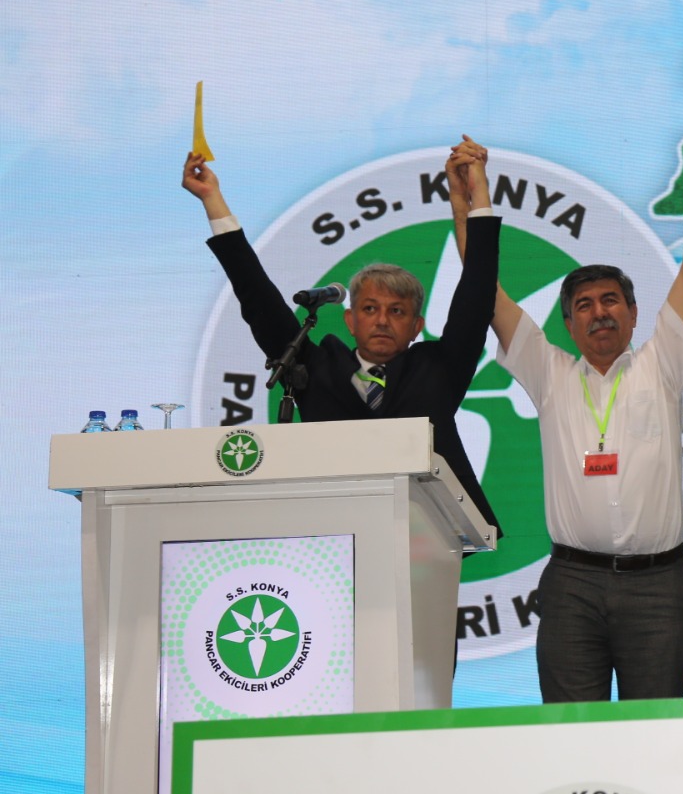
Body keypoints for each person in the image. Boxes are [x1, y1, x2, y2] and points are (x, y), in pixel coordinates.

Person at [445, 112, 683, 703]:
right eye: (586, 305)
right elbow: (484, 292)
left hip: (659, 587)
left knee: (657, 737)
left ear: (634, 314)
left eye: (612, 301)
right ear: (566, 324)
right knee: (571, 736)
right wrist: (468, 200)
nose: (600, 313)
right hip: (572, 585)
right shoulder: (549, 372)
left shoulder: (661, 361)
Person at [181, 146, 502, 534]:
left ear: (417, 326)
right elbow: (256, 295)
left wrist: (476, 197)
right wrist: (213, 201)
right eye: (370, 309)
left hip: (429, 535)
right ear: (349, 320)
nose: (382, 320)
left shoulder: (439, 368)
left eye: (396, 311)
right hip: (329, 532)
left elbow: (478, 292)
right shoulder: (314, 367)